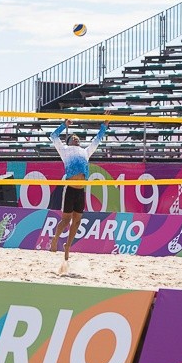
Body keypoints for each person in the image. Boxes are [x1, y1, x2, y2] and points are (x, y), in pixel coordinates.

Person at [49, 112, 111, 273]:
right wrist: (64, 125)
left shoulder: (85, 152)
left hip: (81, 190)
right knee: (65, 220)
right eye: (73, 138)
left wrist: (105, 123)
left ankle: (67, 246)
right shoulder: (65, 150)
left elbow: (97, 139)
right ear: (68, 141)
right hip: (70, 189)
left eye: (78, 138)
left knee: (77, 221)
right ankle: (55, 239)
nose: (76, 139)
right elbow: (53, 136)